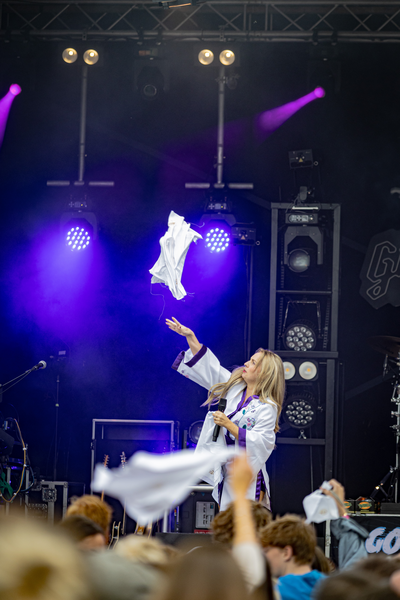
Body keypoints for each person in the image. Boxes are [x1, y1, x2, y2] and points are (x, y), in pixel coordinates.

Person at [166, 317, 285, 510]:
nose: (246, 363)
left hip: (248, 476)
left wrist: (229, 425)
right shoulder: (235, 388)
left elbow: (263, 443)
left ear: (263, 373)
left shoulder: (267, 406)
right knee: (227, 522)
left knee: (244, 521)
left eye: (252, 362)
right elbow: (210, 368)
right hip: (227, 471)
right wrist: (190, 337)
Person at [259, 514, 325, 600]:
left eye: (266, 551)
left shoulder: (275, 591)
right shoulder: (332, 586)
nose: (263, 557)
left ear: (286, 553)